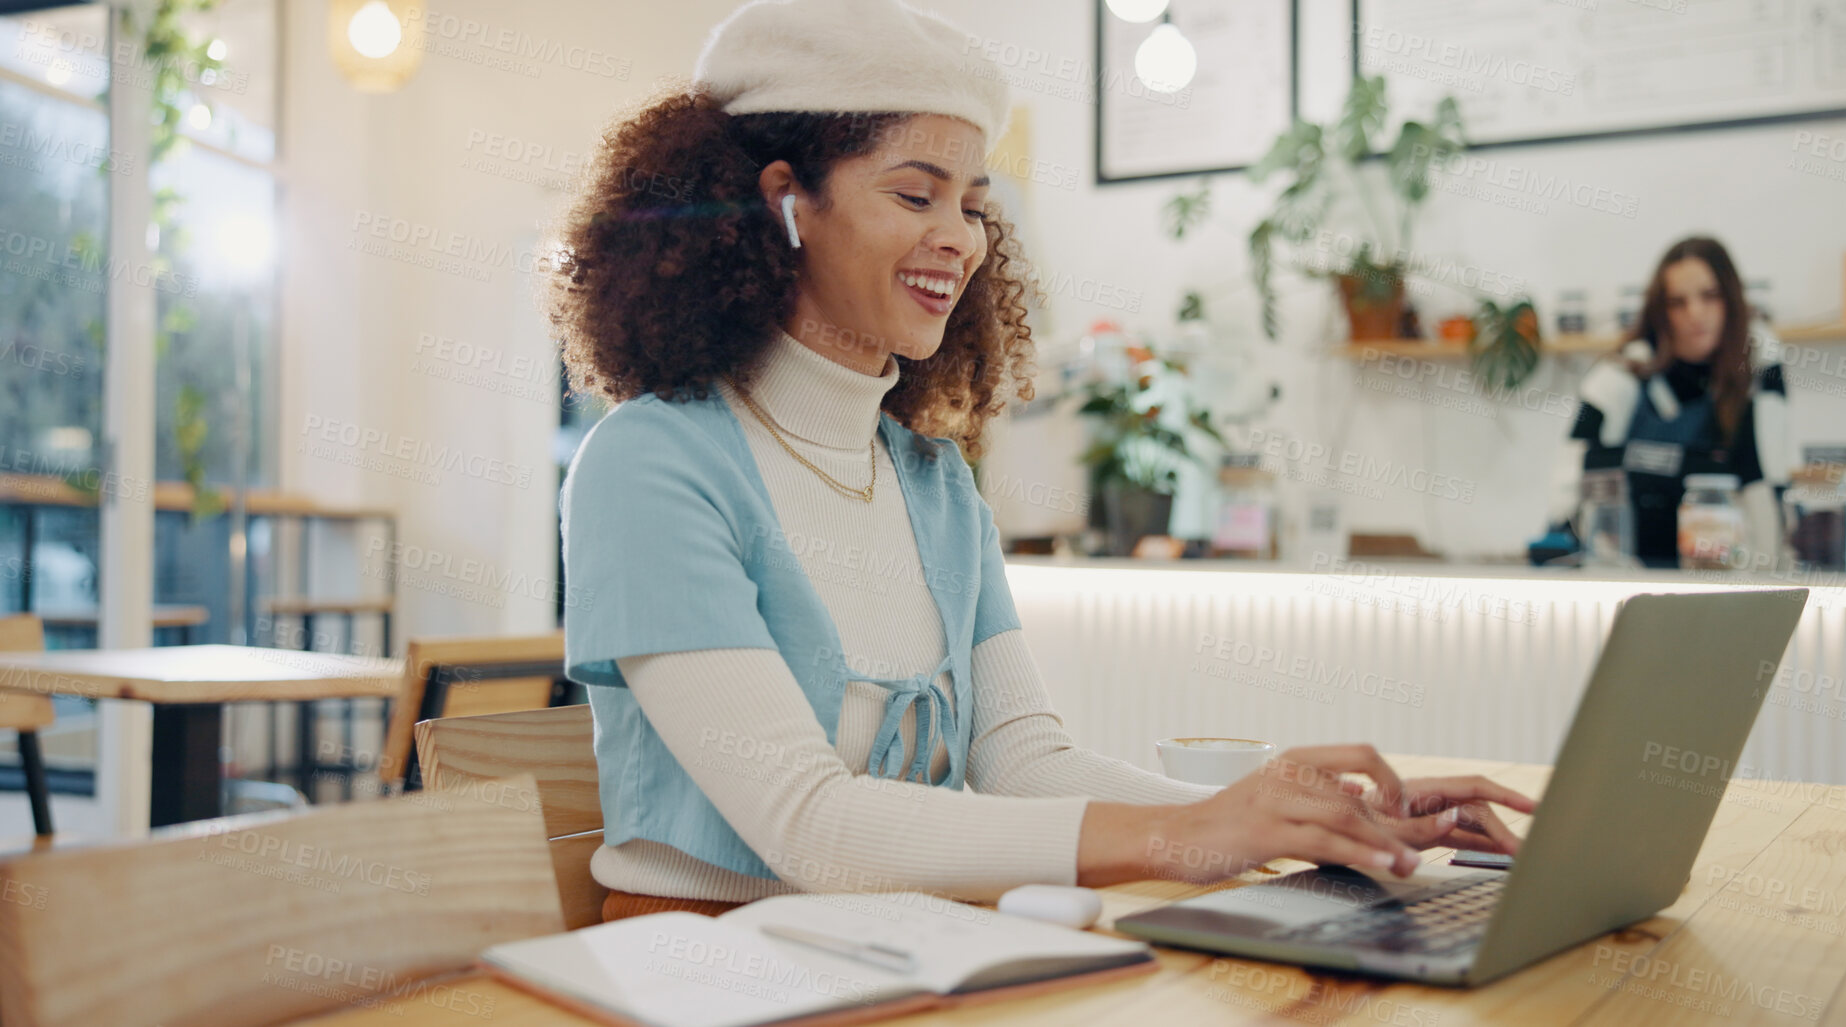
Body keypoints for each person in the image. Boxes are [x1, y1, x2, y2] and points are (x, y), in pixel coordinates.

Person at [549, 0, 1533, 921]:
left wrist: (1284, 819)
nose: (959, 240)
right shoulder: (650, 467)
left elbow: (1023, 756)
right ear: (785, 204)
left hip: (893, 954)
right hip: (699, 971)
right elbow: (812, 825)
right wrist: (1192, 833)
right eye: (914, 194)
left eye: (973, 205)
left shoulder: (933, 485)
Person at [1547, 236, 1790, 568]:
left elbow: (1764, 475)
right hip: (1629, 572)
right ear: (1661, 310)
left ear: (1731, 298)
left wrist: (1769, 572)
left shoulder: (1759, 364)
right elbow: (1575, 472)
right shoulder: (1620, 373)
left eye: (1710, 296)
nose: (1696, 314)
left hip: (1727, 570)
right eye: (1678, 302)